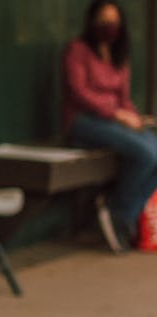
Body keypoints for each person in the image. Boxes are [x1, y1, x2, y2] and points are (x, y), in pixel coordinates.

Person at [63, 0, 157, 253]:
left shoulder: (119, 55)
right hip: (84, 122)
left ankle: (121, 214)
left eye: (113, 21)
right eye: (104, 20)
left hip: (116, 121)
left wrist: (134, 118)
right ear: (92, 21)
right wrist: (117, 114)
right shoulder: (78, 49)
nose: (109, 26)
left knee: (154, 151)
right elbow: (79, 92)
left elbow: (124, 97)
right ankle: (118, 214)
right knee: (147, 154)